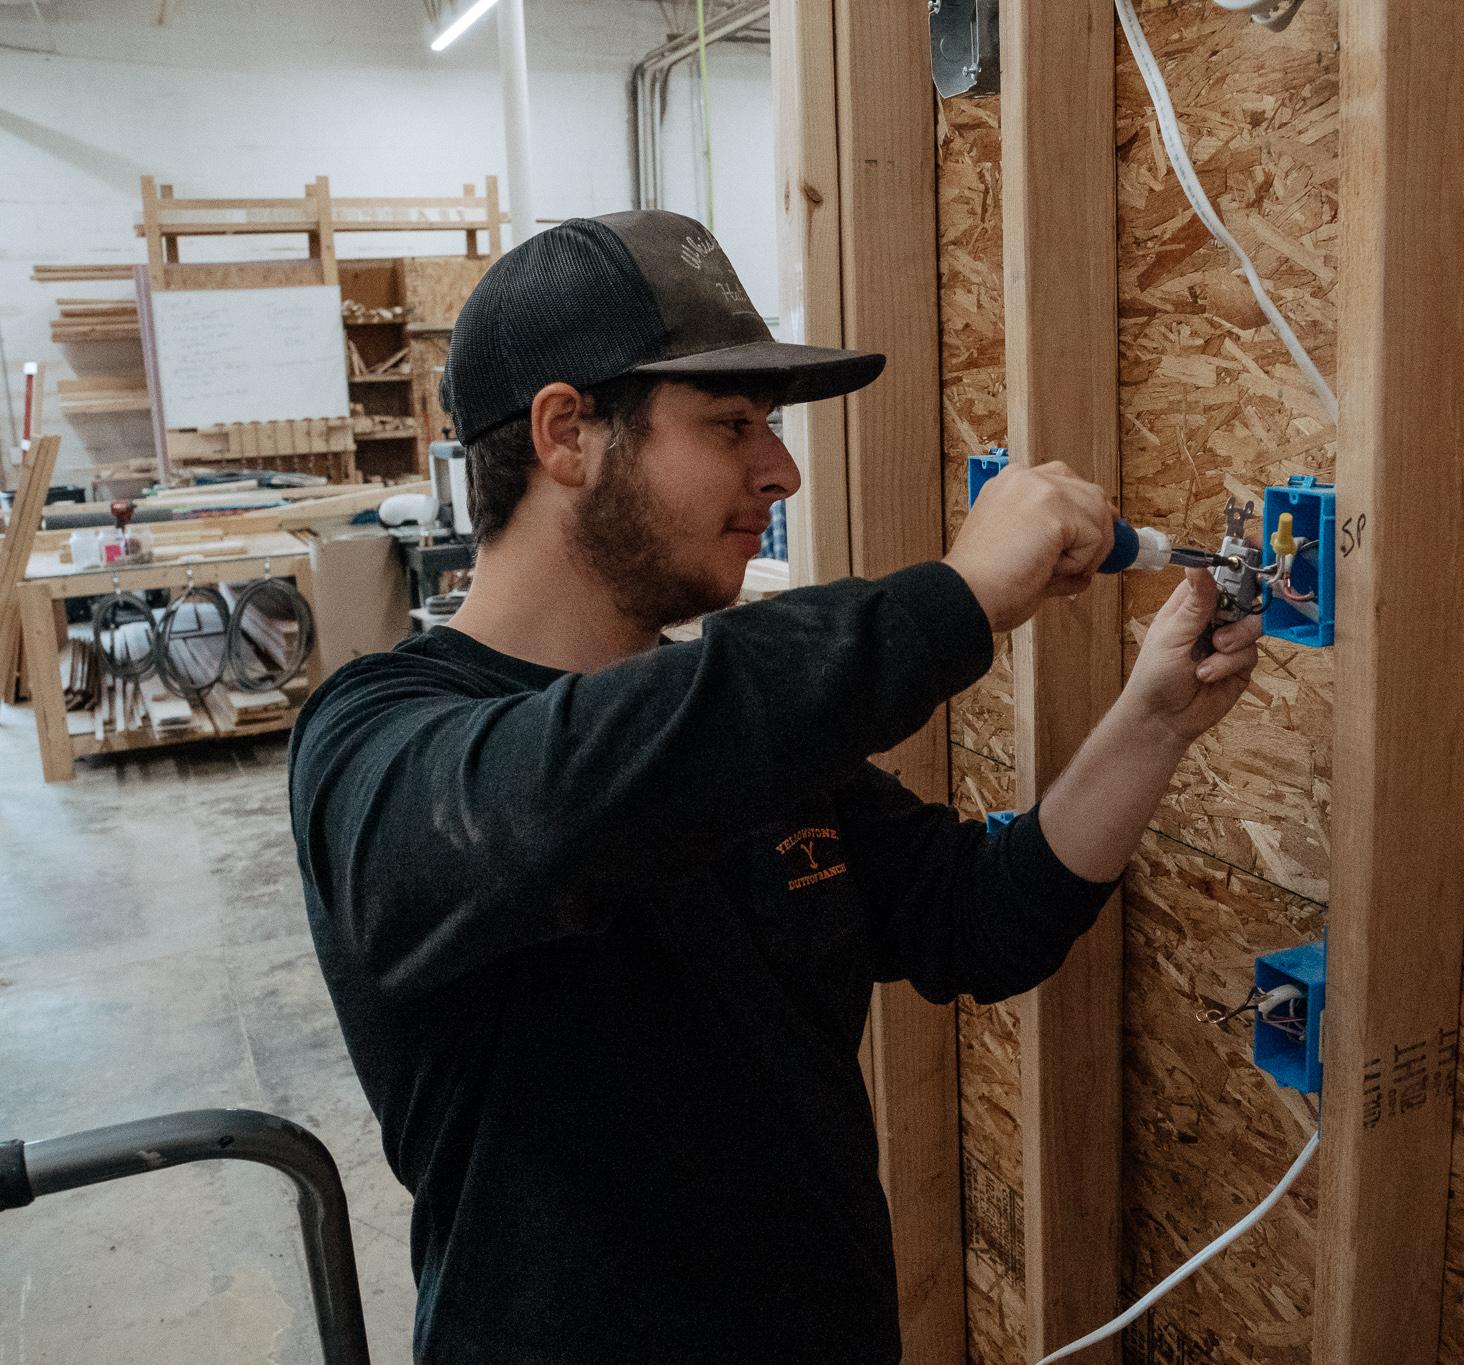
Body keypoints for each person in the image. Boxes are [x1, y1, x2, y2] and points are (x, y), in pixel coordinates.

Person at [288, 210, 1263, 1364]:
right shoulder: (377, 741)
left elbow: (978, 918)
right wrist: (954, 597)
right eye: (730, 423)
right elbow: (558, 809)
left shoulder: (731, 737)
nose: (780, 469)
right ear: (566, 434)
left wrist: (1150, 723)